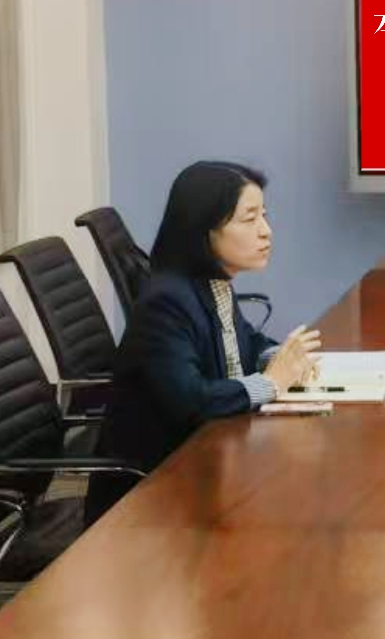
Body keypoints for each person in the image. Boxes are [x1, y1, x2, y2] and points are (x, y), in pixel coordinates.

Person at [88, 160, 321, 519]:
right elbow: (193, 400)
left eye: (264, 216)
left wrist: (283, 358)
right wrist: (272, 383)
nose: (266, 232)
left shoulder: (210, 282)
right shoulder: (166, 302)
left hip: (205, 471)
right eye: (249, 219)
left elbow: (245, 341)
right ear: (205, 230)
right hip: (150, 503)